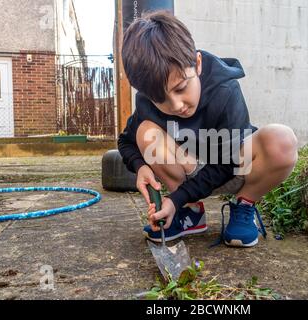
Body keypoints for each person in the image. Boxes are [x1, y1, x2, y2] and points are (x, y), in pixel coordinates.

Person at [118, 10, 298, 247]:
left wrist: (174, 199)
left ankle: (244, 205)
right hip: (189, 170)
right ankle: (191, 212)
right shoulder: (147, 101)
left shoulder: (226, 91)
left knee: (281, 140)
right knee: (146, 133)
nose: (176, 105)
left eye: (181, 88)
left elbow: (227, 164)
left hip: (234, 168)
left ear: (198, 63)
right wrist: (140, 166)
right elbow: (126, 141)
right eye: (160, 100)